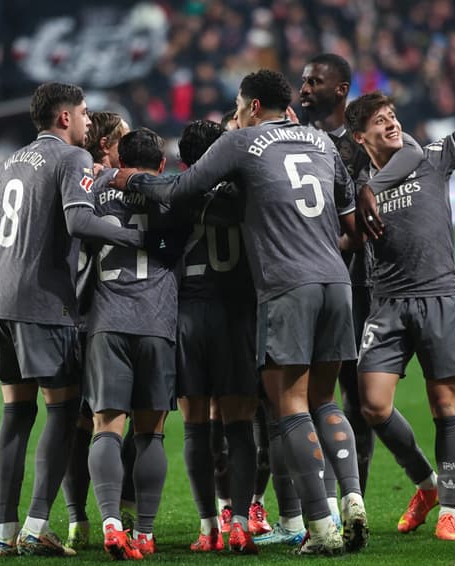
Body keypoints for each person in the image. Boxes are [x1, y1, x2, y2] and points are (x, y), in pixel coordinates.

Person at [111, 69, 365, 555]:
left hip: (287, 286)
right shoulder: (321, 143)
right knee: (326, 400)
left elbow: (182, 190)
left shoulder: (243, 143)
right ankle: (351, 498)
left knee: (288, 405)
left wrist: (135, 179)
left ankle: (322, 526)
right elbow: (349, 221)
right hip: (337, 280)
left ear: (250, 106)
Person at [345, 25, 455, 542]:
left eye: (391, 116)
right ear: (360, 138)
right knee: (373, 405)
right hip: (386, 304)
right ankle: (426, 484)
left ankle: (451, 511)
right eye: (377, 121)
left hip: (438, 298)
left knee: (444, 404)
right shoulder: (353, 185)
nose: (389, 123)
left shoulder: (435, 158)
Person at [0, 82, 146, 557]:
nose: (90, 122)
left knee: (15, 414)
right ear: (64, 119)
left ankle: (4, 533)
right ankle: (37, 526)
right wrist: (132, 238)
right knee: (62, 409)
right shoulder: (72, 159)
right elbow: (78, 222)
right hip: (42, 303)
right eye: (84, 113)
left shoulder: (9, 161)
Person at [300, 53, 424, 498]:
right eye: (303, 81)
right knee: (301, 395)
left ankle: (353, 500)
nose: (304, 88)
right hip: (306, 282)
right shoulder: (295, 139)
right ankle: (311, 507)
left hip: (357, 285)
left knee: (355, 398)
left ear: (339, 89)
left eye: (314, 81)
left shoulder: (361, 148)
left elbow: (412, 152)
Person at [84, 128, 189, 560]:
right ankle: (143, 533)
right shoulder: (172, 196)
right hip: (156, 323)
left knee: (106, 427)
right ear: (161, 165)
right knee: (151, 433)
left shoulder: (95, 193)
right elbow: (172, 247)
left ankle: (110, 523)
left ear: (118, 158)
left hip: (106, 322)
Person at [174, 119, 260, 554]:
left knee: (194, 429)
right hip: (236, 316)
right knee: (241, 427)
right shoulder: (247, 194)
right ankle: (241, 522)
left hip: (188, 317)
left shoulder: (176, 196)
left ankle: (208, 527)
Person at [62, 110, 135, 550]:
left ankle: (78, 520)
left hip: (77, 316)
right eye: (123, 138)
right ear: (107, 145)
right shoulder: (122, 187)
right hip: (113, 317)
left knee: (80, 422)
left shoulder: (77, 188)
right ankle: (124, 512)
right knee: (117, 419)